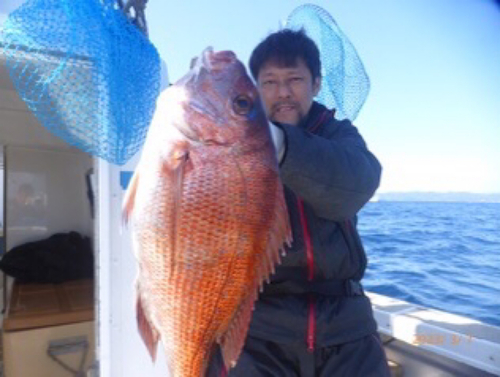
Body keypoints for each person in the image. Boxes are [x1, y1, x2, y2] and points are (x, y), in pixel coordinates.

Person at [208, 28, 389, 376]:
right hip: (257, 328)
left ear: (316, 84)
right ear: (256, 89)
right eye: (271, 82)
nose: (283, 92)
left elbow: (358, 184)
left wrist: (280, 145)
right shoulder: (226, 143)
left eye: (295, 79)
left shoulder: (338, 134)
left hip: (347, 325)